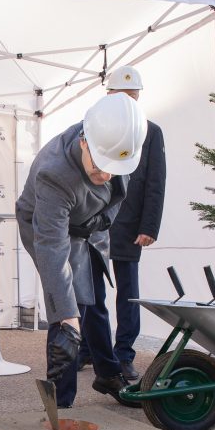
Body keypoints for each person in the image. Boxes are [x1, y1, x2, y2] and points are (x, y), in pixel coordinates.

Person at [16, 92, 146, 409]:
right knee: (69, 308)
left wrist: (101, 221)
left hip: (90, 223)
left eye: (112, 170)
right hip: (48, 228)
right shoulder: (54, 174)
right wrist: (67, 319)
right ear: (85, 142)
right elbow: (53, 249)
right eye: (100, 168)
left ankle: (108, 373)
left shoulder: (116, 144)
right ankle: (60, 400)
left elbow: (117, 195)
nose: (105, 176)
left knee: (94, 299)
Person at [77, 66, 166, 381]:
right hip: (95, 222)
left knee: (128, 292)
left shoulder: (151, 132)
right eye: (122, 94)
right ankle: (89, 349)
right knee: (90, 290)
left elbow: (156, 181)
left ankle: (124, 354)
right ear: (109, 95)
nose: (128, 99)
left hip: (130, 225)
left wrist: (149, 226)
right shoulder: (91, 125)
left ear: (139, 96)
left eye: (133, 94)